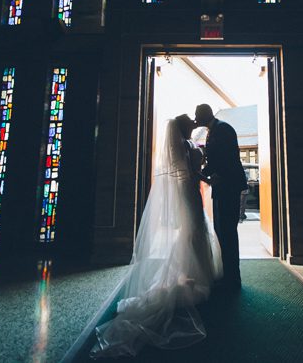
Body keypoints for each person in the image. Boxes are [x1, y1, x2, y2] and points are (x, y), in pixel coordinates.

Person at [90, 115, 222, 358]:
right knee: (192, 232)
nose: (194, 121)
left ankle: (191, 274)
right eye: (189, 121)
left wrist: (203, 178)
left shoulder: (187, 144)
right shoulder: (182, 146)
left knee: (194, 232)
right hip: (190, 192)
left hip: (192, 191)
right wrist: (207, 179)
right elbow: (190, 173)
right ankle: (192, 275)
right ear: (183, 127)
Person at [195, 104, 248, 290]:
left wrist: (215, 175)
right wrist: (200, 171)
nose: (195, 118)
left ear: (204, 115)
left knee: (228, 232)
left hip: (229, 186)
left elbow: (229, 158)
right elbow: (213, 159)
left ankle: (233, 279)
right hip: (222, 187)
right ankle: (228, 275)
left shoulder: (223, 129)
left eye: (197, 115)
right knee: (222, 231)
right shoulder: (213, 130)